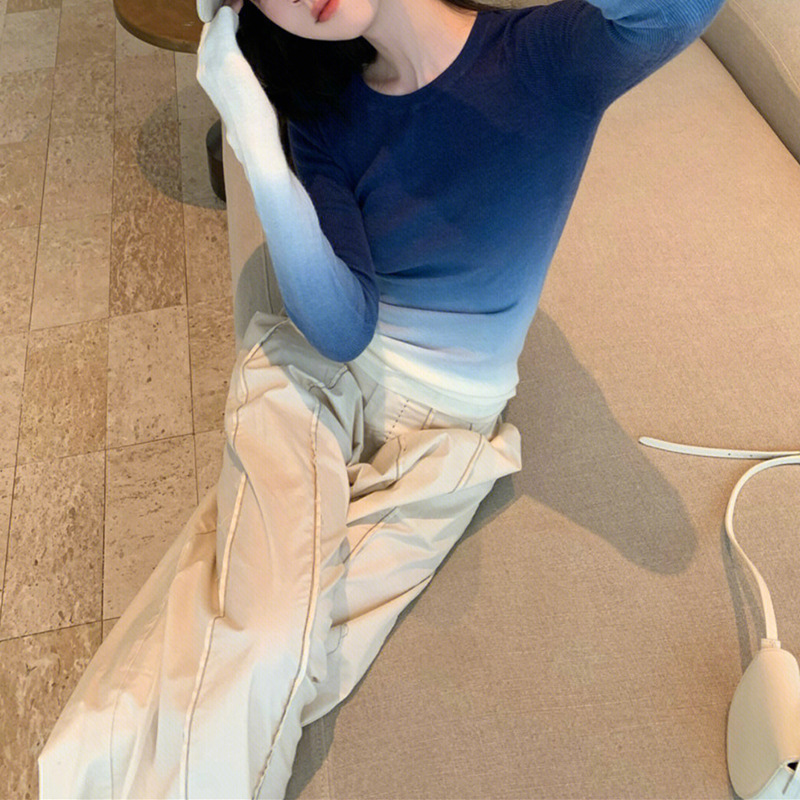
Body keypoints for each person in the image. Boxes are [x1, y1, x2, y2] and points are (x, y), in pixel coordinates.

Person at [37, 0, 726, 797]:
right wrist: (260, 150)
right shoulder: (329, 118)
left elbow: (680, 9)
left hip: (443, 442)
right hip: (310, 381)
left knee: (272, 631)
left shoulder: (548, 56)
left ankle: (83, 770)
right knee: (264, 622)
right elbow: (341, 328)